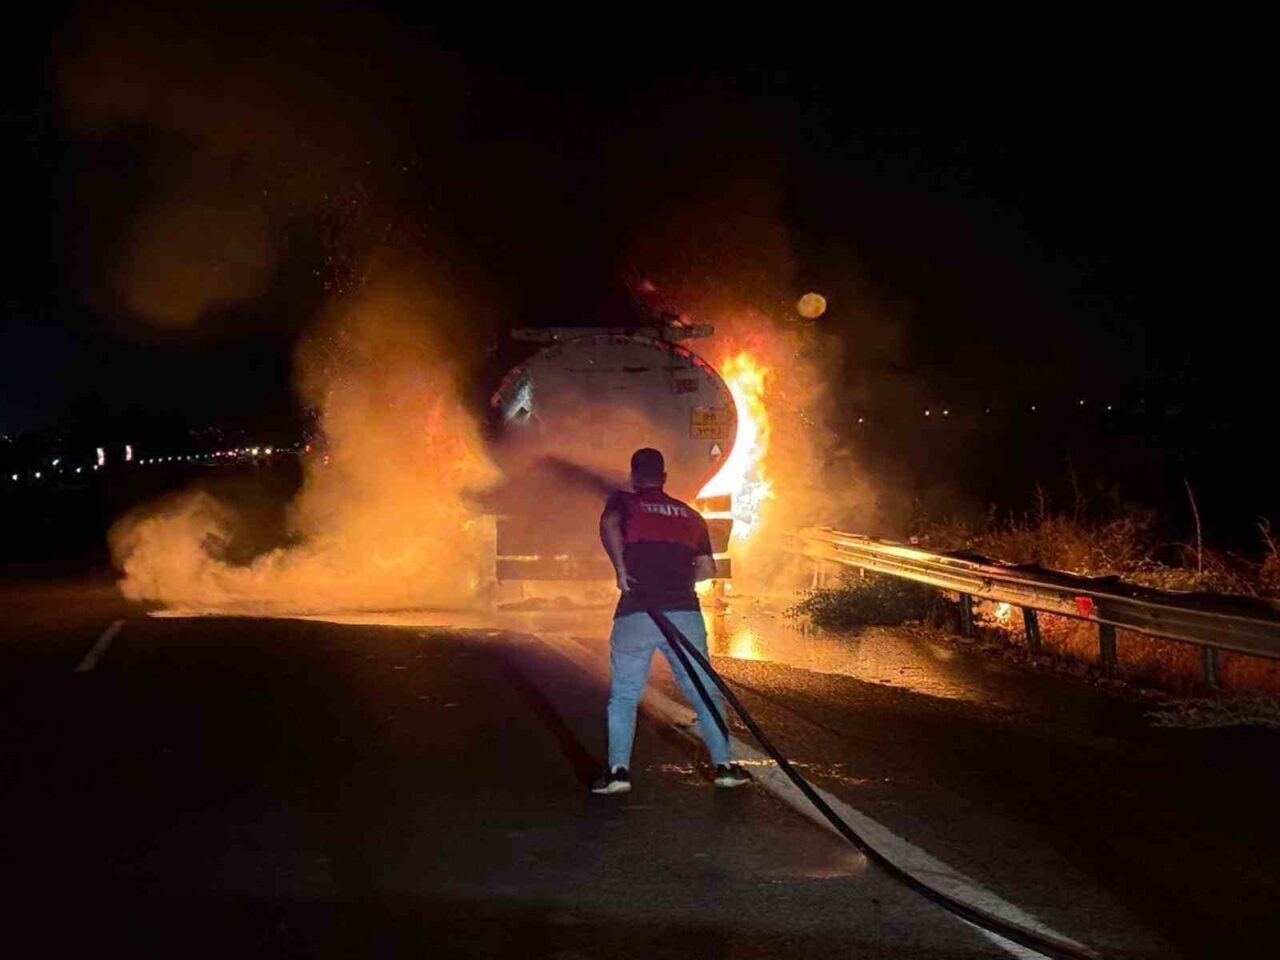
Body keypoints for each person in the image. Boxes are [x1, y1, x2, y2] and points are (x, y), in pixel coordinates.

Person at [591, 447, 751, 795]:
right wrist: (677, 583)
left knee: (624, 695)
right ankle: (725, 767)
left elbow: (608, 524)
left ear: (635, 477)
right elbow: (707, 569)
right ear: (664, 478)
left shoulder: (624, 502)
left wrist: (621, 570)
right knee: (704, 691)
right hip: (685, 615)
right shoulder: (692, 516)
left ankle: (618, 774)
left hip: (637, 612)